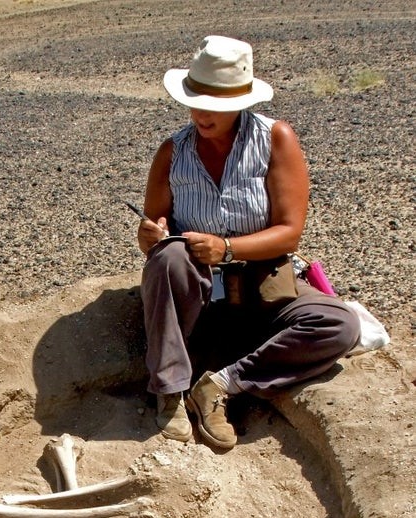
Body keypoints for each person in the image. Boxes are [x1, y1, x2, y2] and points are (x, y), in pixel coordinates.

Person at [136, 36, 359, 450]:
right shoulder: (172, 152)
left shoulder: (275, 139)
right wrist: (150, 236)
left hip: (262, 287)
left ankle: (220, 385)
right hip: (197, 296)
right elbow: (153, 230)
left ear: (241, 101)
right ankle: (168, 391)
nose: (203, 113)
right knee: (168, 256)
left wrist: (228, 248)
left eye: (216, 104)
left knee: (339, 325)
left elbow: (290, 231)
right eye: (196, 99)